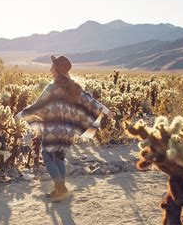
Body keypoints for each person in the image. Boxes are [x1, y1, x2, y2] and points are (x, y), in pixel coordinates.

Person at [16, 55, 113, 201]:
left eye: (52, 67)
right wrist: (106, 111)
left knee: (48, 157)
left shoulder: (51, 88)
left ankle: (60, 188)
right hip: (68, 131)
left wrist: (21, 114)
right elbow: (90, 101)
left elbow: (38, 105)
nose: (50, 69)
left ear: (56, 70)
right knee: (59, 157)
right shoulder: (74, 88)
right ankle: (60, 189)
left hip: (52, 129)